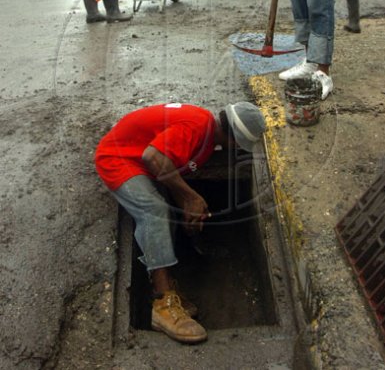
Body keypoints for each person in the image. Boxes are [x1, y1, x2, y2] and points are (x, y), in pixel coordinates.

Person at [95, 101, 266, 343]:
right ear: (233, 138)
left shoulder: (207, 139)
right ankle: (162, 302)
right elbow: (152, 156)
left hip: (140, 160)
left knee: (168, 210)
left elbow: (171, 166)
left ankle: (168, 284)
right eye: (239, 144)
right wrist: (190, 196)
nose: (237, 149)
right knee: (154, 210)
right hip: (118, 158)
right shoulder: (197, 127)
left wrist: (184, 205)